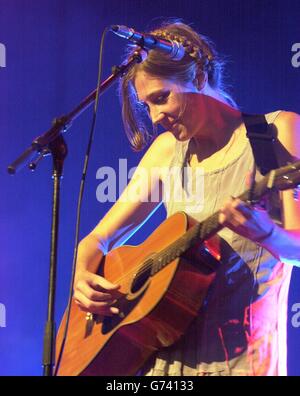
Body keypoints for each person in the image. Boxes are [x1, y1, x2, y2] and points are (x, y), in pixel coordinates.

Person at [73, 20, 300, 376]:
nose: (155, 117)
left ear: (196, 78)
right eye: (146, 105)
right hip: (160, 368)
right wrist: (81, 274)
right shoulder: (166, 151)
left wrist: (265, 233)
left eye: (161, 98)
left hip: (242, 365)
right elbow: (96, 240)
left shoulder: (276, 132)